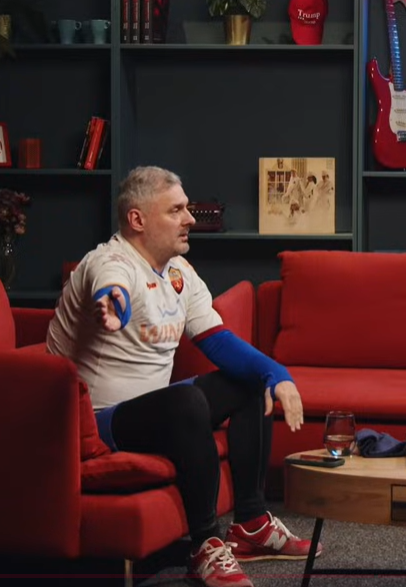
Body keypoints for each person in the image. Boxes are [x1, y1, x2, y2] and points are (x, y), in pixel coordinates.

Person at [47, 166, 319, 587]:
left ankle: (251, 523)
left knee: (248, 381)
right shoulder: (108, 261)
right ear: (137, 220)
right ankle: (205, 544)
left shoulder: (179, 272)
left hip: (156, 414)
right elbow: (111, 286)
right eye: (175, 210)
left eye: (187, 209)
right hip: (100, 421)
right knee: (187, 400)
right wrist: (113, 303)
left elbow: (217, 341)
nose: (190, 218)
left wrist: (276, 374)